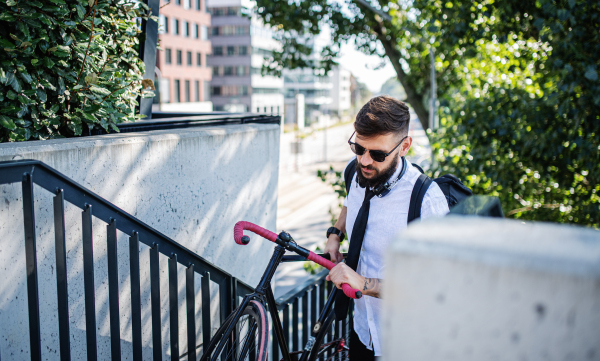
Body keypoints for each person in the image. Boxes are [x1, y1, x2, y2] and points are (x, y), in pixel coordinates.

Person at [324, 96, 450, 360]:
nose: (365, 161)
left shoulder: (427, 201)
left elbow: (433, 287)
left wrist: (361, 283)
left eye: (378, 154)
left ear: (404, 147)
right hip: (361, 330)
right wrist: (336, 233)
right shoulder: (355, 173)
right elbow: (351, 203)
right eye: (358, 148)